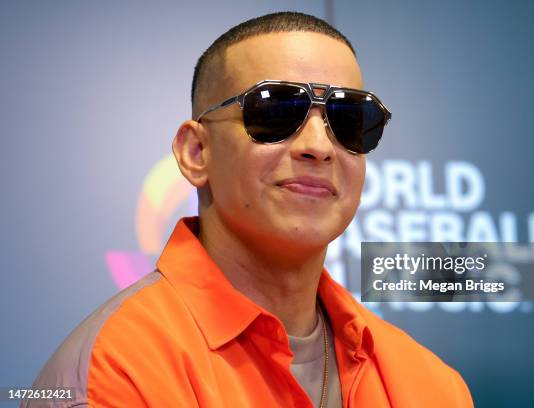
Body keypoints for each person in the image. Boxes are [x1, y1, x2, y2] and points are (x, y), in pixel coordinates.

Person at [25, 12, 473, 408]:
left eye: (348, 120)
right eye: (276, 111)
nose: (319, 147)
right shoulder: (117, 369)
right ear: (196, 151)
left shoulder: (432, 385)